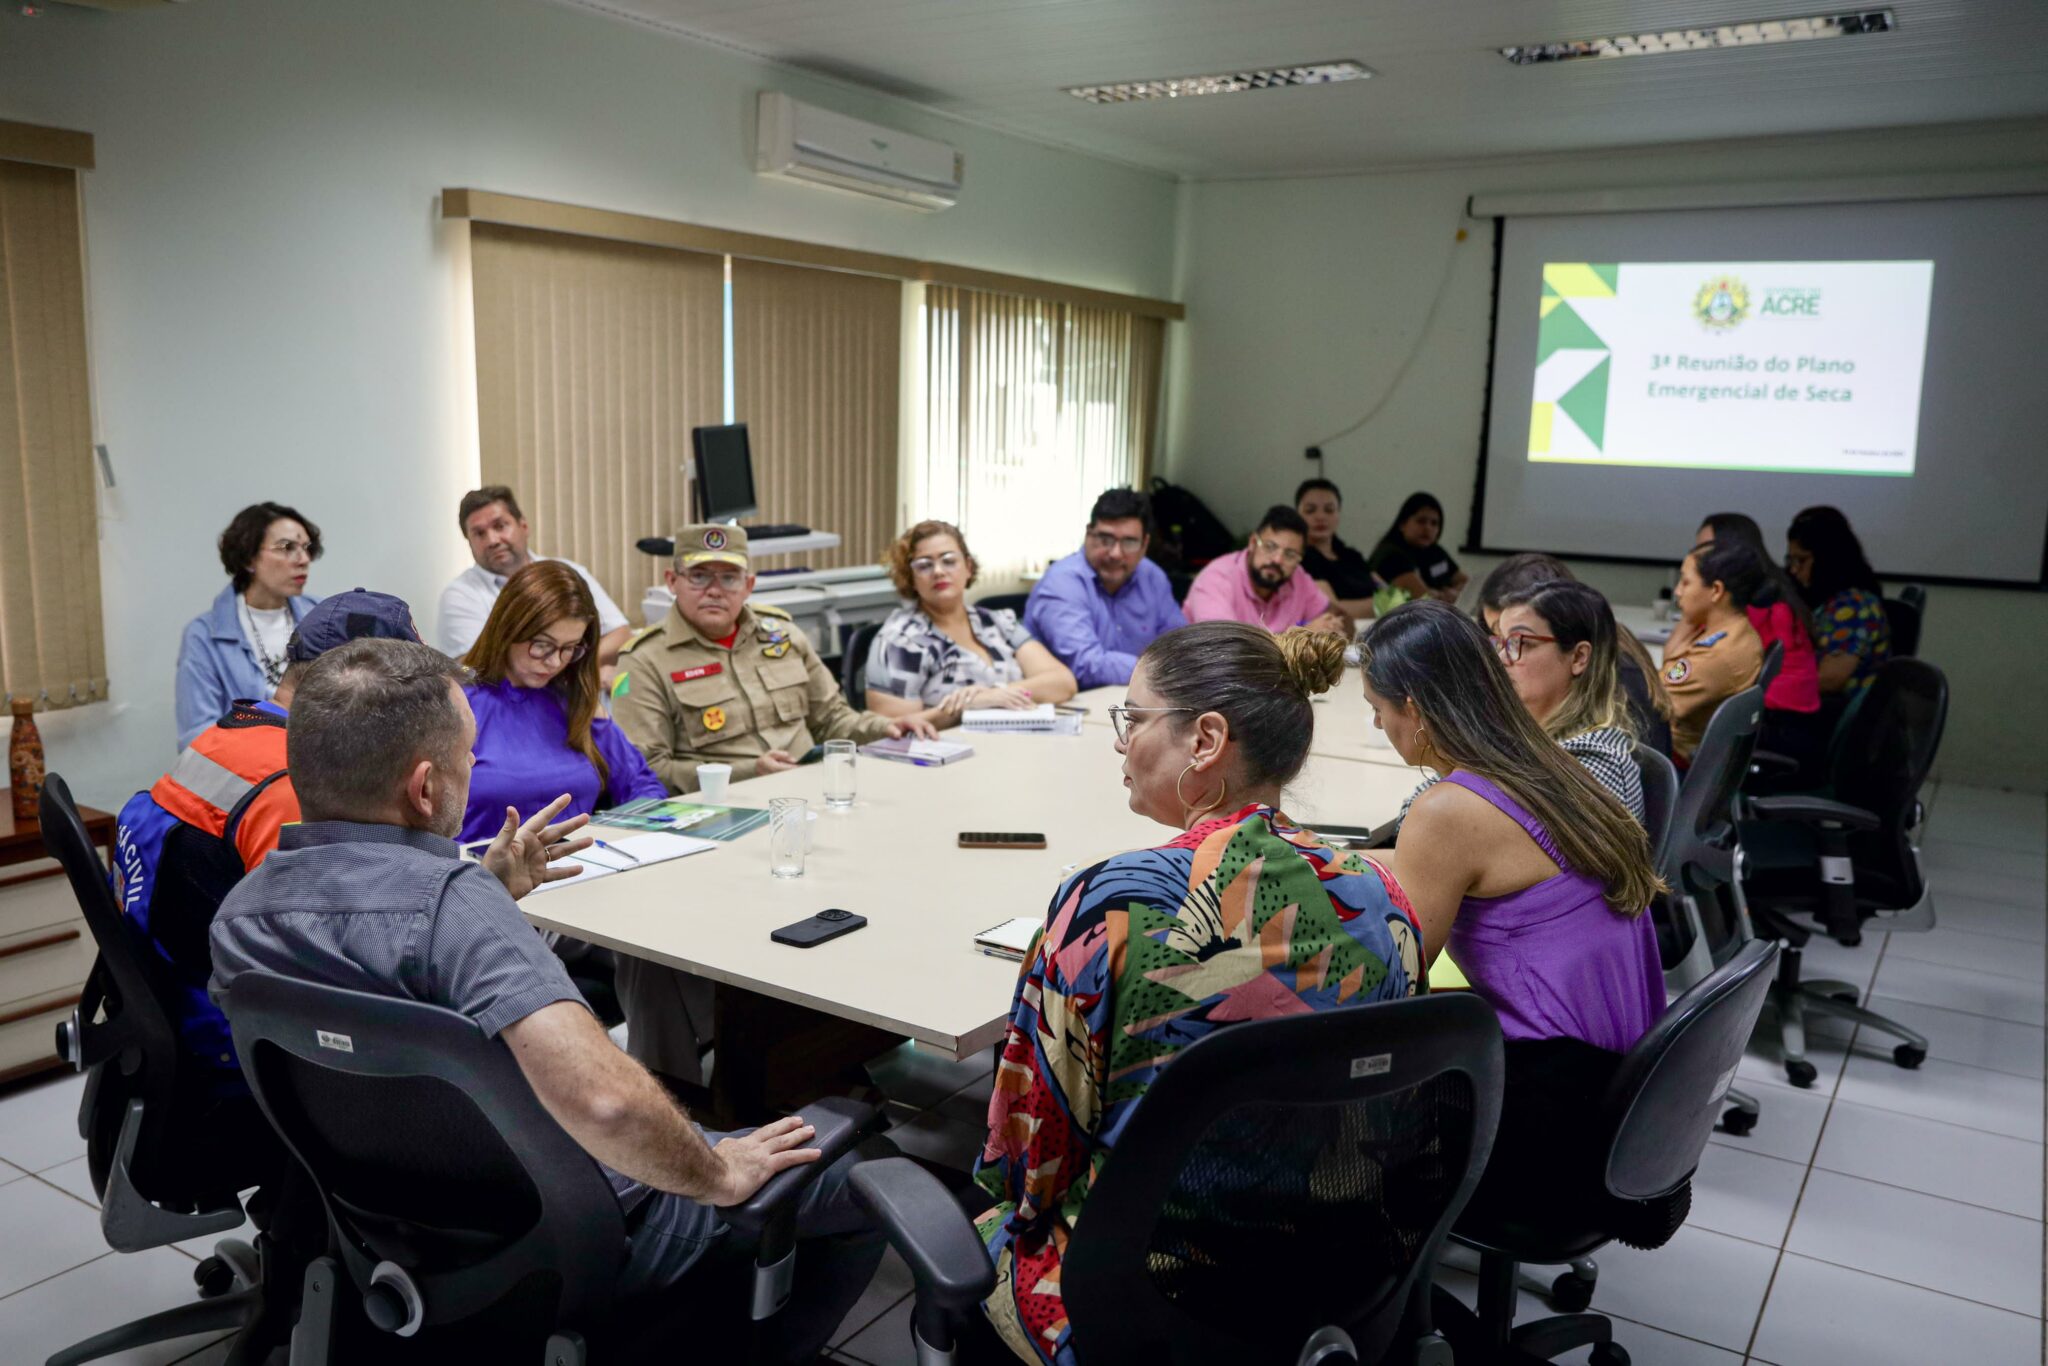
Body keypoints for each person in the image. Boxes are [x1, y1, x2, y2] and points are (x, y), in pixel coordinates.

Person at [208, 639, 884, 1359]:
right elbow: (608, 1104)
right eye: (471, 757)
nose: (477, 769)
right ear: (426, 788)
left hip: (395, 1222)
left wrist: (489, 892)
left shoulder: (239, 915)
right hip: (577, 1230)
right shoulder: (452, 910)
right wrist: (718, 1174)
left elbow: (376, 984)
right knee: (866, 1179)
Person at [972, 622, 1420, 1365]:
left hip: (1129, 1303)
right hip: (1326, 1280)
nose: (1121, 743)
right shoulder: (1380, 893)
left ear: (1206, 740)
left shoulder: (1108, 905)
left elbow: (1027, 1158)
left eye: (1135, 719)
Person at [1357, 600, 1664, 1235]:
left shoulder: (1447, 811)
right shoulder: (1547, 761)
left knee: (1330, 1064)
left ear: (1413, 710)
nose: (1377, 722)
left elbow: (1398, 979)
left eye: (1378, 709)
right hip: (1622, 1094)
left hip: (1553, 1119)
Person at [611, 524, 935, 1083]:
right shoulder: (644, 661)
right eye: (699, 576)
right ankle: (734, 1075)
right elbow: (646, 773)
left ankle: (837, 1041)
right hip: (727, 837)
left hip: (822, 817)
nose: (715, 588)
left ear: (749, 582)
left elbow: (834, 720)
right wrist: (745, 772)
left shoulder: (782, 635)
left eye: (728, 577)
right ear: (671, 582)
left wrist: (889, 725)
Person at [116, 589, 423, 1102]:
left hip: (171, 998)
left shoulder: (228, 733)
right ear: (361, 688)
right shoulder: (296, 783)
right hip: (238, 1039)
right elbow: (325, 961)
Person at [459, 560, 666, 845]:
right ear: (507, 629)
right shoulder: (456, 704)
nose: (555, 662)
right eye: (542, 645)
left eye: (569, 648)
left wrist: (613, 840)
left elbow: (644, 788)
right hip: (484, 880)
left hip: (584, 869)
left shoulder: (575, 702)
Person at [864, 520, 1078, 717]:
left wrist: (995, 694)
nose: (938, 571)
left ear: (968, 567)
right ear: (910, 578)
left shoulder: (996, 622)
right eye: (924, 565)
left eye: (949, 561)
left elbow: (1063, 682)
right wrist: (967, 706)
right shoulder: (900, 640)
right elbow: (894, 728)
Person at [1474, 553, 1673, 758]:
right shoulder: (1599, 642)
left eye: (1519, 640)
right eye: (1500, 638)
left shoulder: (1617, 682)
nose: (1502, 657)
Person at [175, 502, 323, 749]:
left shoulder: (323, 616)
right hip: (248, 776)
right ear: (248, 559)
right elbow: (197, 737)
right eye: (287, 547)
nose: (303, 559)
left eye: (307, 548)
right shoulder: (203, 635)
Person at [437, 485, 631, 670]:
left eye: (500, 526)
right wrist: (584, 668)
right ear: (469, 543)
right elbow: (475, 668)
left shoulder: (569, 573)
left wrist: (578, 671)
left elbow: (621, 635)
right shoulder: (460, 595)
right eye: (479, 533)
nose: (492, 540)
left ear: (524, 526)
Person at [1021, 488, 1186, 688]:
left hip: (1137, 698)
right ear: (1088, 534)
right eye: (1105, 539)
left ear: (1145, 544)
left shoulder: (1152, 577)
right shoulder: (1062, 582)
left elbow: (1179, 648)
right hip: (1073, 704)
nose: (1115, 553)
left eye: (1129, 542)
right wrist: (1159, 671)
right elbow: (1086, 665)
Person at [1695, 513, 1820, 716]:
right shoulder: (1770, 589)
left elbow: (1691, 664)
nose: (1699, 561)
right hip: (1779, 713)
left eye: (1707, 552)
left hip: (1776, 718)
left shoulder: (1759, 603)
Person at [1661, 540, 1767, 766]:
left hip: (1673, 760)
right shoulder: (1731, 631)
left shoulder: (1716, 654)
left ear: (1716, 590)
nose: (1678, 591)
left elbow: (1654, 700)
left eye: (1686, 582)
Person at [1181, 506, 1350, 634]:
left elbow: (1339, 616)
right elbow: (1225, 649)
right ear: (1253, 543)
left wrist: (1334, 627)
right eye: (1270, 547)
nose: (1277, 560)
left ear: (1299, 559)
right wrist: (1302, 637)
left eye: (1290, 554)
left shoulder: (1297, 578)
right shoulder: (1216, 578)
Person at [1786, 505, 1891, 697]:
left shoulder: (1854, 606)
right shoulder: (1827, 600)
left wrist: (1771, 686)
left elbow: (1831, 678)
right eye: (1791, 560)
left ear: (1827, 558)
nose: (1793, 570)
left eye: (1801, 560)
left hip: (1831, 718)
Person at [1295, 477, 1382, 620]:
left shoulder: (1353, 556)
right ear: (1297, 515)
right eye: (1310, 510)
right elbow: (1331, 610)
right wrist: (1384, 605)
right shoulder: (1300, 559)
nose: (1320, 516)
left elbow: (1387, 591)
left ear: (1338, 513)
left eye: (1329, 510)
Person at [1370, 492, 1467, 603]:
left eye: (1434, 523)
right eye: (1421, 521)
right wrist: (1451, 595)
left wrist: (1454, 593)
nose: (1428, 528)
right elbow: (1424, 599)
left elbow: (1468, 586)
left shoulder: (1436, 552)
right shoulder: (1391, 556)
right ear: (1402, 524)